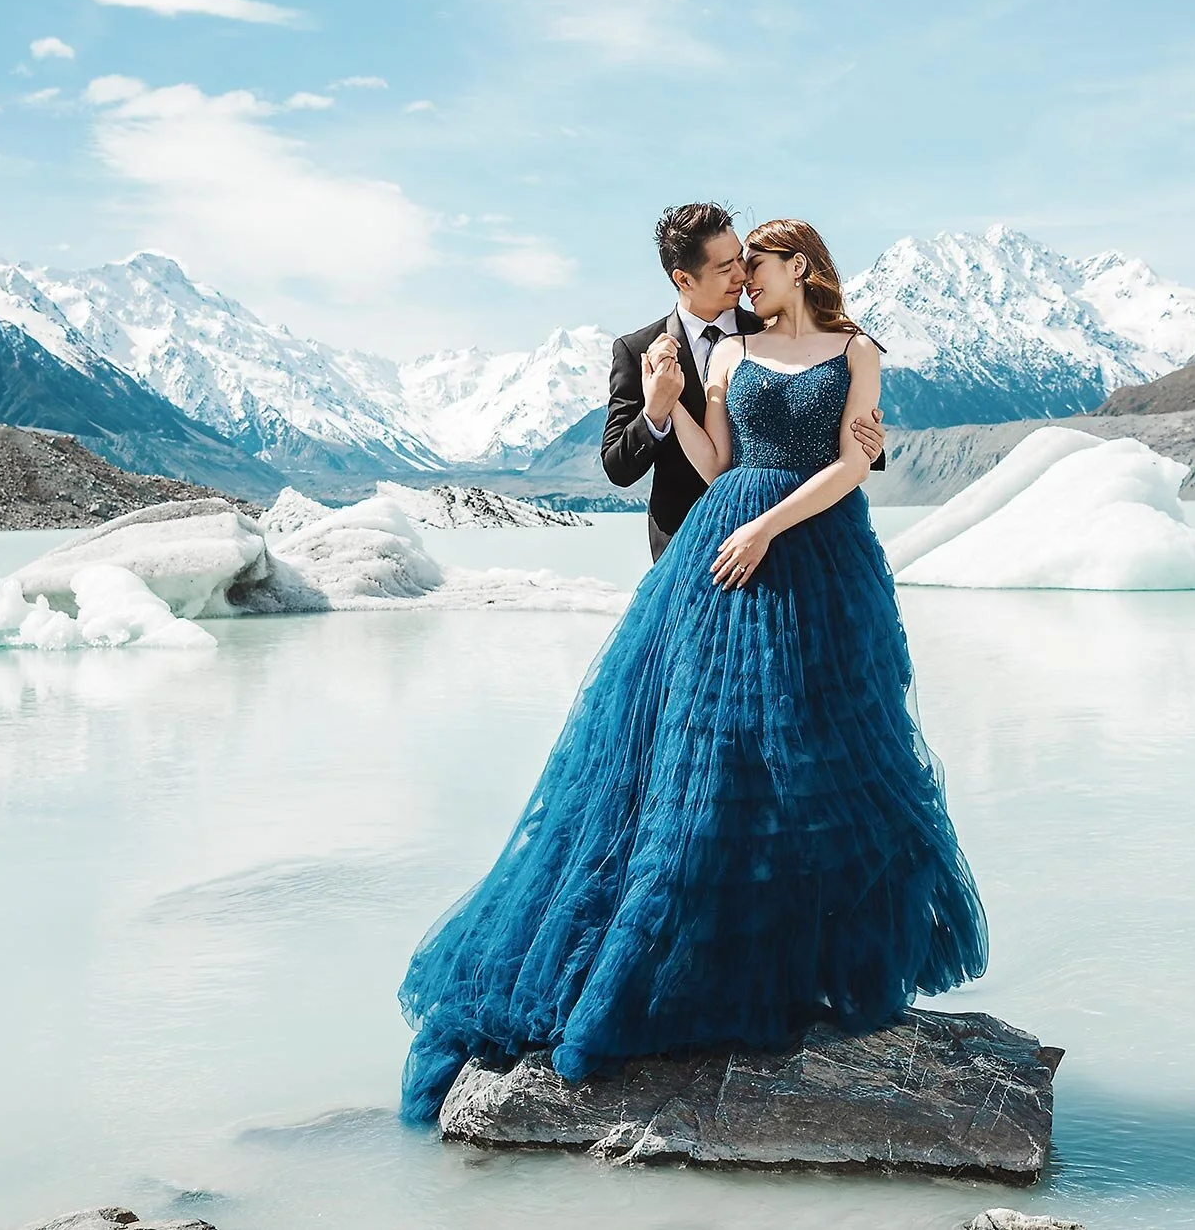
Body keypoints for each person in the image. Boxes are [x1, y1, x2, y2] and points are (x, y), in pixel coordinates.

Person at [397, 217, 987, 1122]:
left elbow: (855, 463)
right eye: (733, 266)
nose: (743, 278)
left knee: (823, 750)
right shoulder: (722, 357)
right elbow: (714, 462)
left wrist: (769, 523)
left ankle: (814, 963)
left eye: (755, 263)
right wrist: (667, 405)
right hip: (718, 553)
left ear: (800, 266)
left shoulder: (858, 349)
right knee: (706, 761)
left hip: (816, 555)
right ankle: (694, 966)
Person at [603, 202, 884, 559]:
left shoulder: (768, 329)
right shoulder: (638, 350)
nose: (742, 275)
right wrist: (657, 410)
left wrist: (870, 442)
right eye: (726, 267)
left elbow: (828, 431)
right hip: (685, 548)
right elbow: (617, 467)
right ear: (684, 279)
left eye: (744, 260)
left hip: (812, 536)